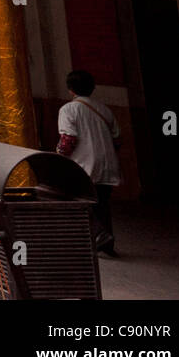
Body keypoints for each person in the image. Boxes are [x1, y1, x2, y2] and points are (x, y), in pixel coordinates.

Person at [56, 69, 121, 256]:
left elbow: (68, 138)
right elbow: (117, 138)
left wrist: (59, 156)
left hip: (84, 165)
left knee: (76, 201)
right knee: (102, 204)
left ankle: (99, 235)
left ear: (70, 89)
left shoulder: (69, 109)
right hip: (108, 163)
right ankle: (107, 244)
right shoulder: (104, 109)